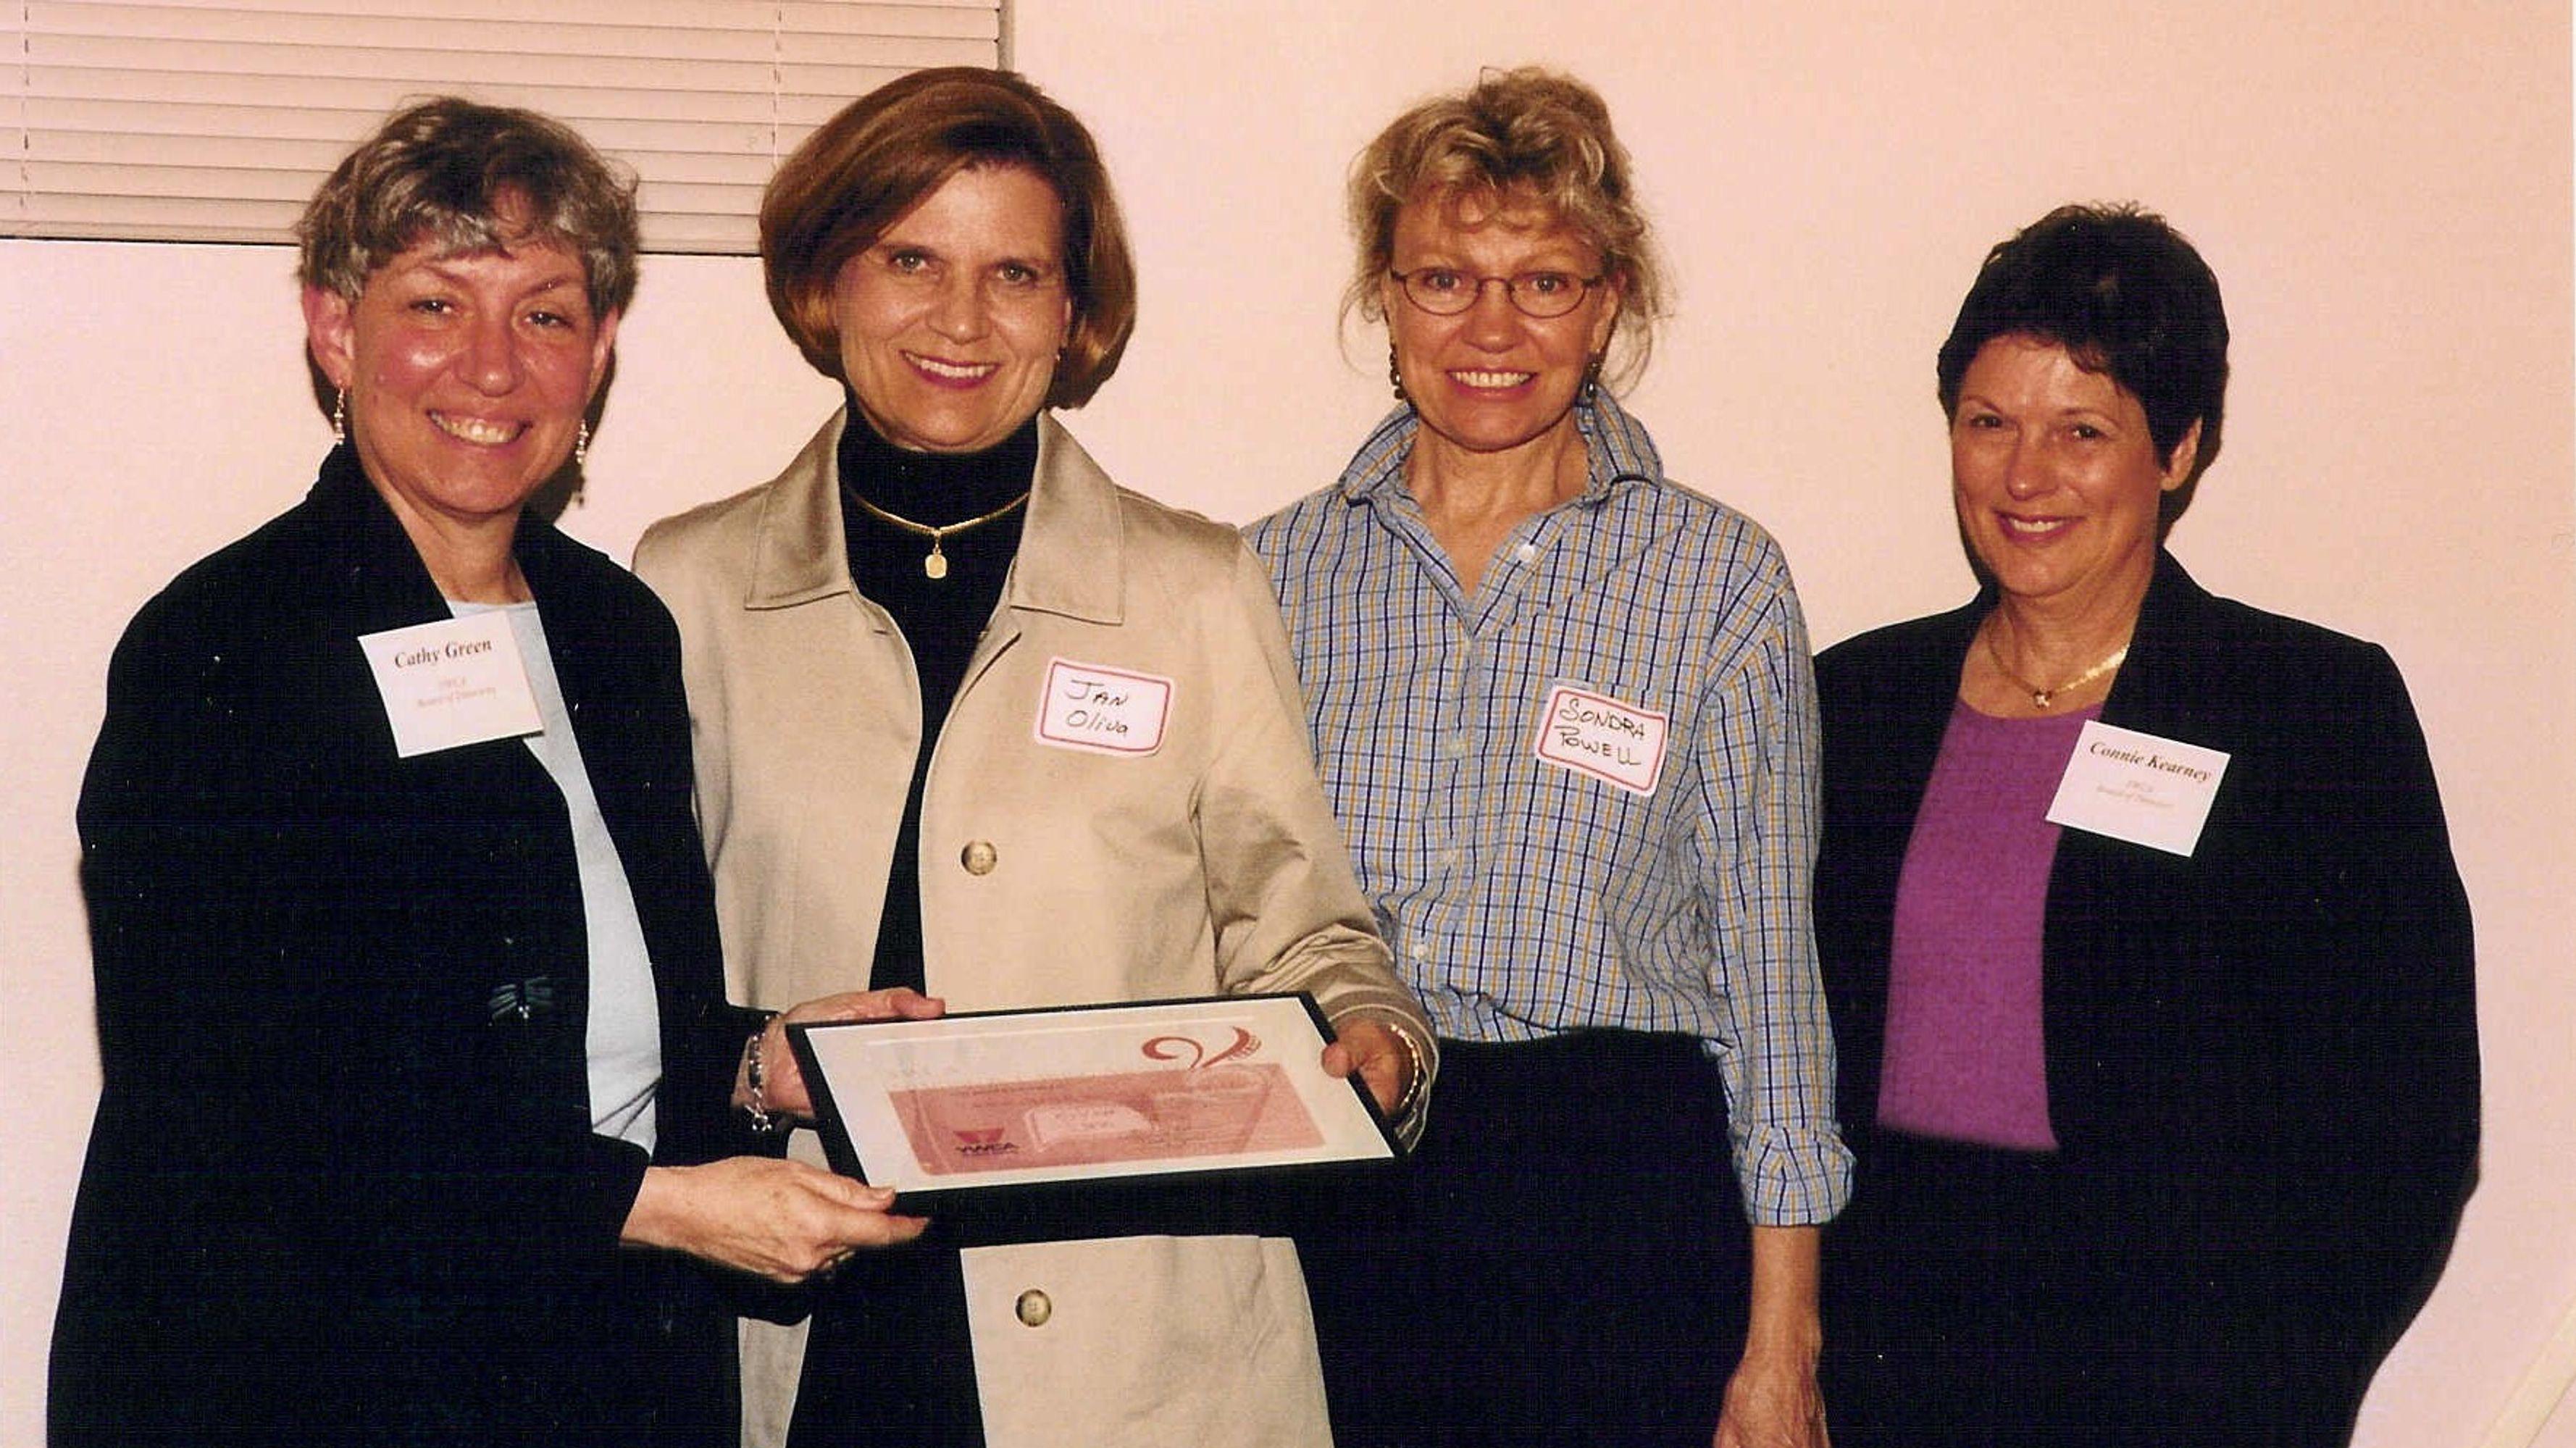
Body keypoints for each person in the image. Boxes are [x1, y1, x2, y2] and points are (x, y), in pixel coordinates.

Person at [48, 98, 934, 1448]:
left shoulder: (614, 629)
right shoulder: (222, 649)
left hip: (596, 1369)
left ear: (602, 351)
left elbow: (556, 1017)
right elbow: (244, 1108)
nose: (491, 368)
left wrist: (764, 1062)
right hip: (305, 1379)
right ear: (335, 330)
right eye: (434, 305)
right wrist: (666, 1206)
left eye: (545, 314)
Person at [632, 67, 1434, 1448]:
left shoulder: (1193, 585)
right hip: (812, 1324)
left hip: (1141, 1351)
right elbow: (648, 993)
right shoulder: (688, 586)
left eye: (1015, 272)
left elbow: (1305, 928)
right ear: (829, 282)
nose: (959, 320)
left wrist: (1377, 1041)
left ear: (1075, 316)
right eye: (910, 260)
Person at [1812, 203, 2480, 1447]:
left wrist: (2268, 1387)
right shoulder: (1852, 702)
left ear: (2176, 451)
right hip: (1881, 1350)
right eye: (1989, 423)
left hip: (2176, 1374)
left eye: (2083, 431)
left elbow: (2408, 1124)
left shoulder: (2307, 708)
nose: (2026, 476)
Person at [1248, 67, 1849, 1448]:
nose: (1493, 327)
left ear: (1612, 301)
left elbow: (1770, 977)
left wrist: (1782, 1345)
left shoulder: (1720, 580)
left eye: (1547, 281)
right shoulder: (1268, 576)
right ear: (1383, 299)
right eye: (1445, 278)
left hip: (1616, 1192)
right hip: (1342, 1165)